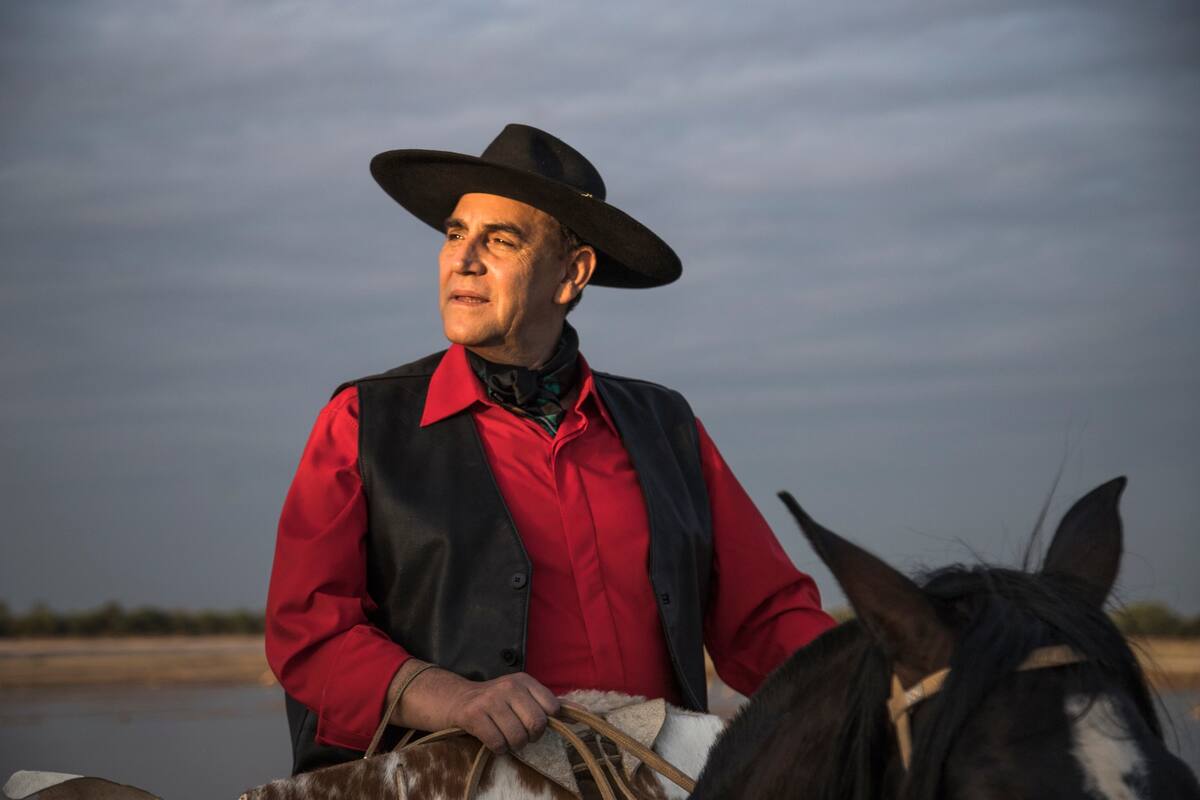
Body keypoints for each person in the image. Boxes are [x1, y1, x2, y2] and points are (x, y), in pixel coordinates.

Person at [265, 124, 837, 775]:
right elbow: (309, 633)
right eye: (455, 234)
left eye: (500, 240)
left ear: (573, 272)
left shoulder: (665, 424)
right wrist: (453, 698)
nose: (463, 258)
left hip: (651, 784)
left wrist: (899, 683)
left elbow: (767, 619)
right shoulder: (363, 421)